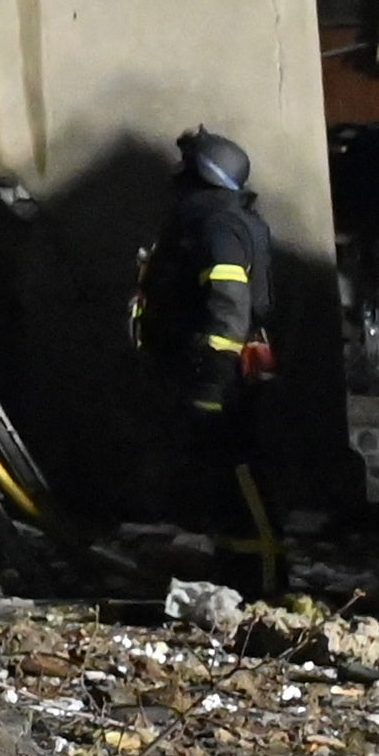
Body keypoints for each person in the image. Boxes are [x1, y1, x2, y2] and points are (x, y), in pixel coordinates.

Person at [140, 125, 285, 594]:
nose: (176, 180)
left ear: (205, 178)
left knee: (240, 474)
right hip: (212, 370)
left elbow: (228, 302)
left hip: (226, 375)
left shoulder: (218, 225)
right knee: (222, 480)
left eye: (187, 170)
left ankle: (264, 581)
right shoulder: (213, 220)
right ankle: (239, 578)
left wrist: (212, 380)